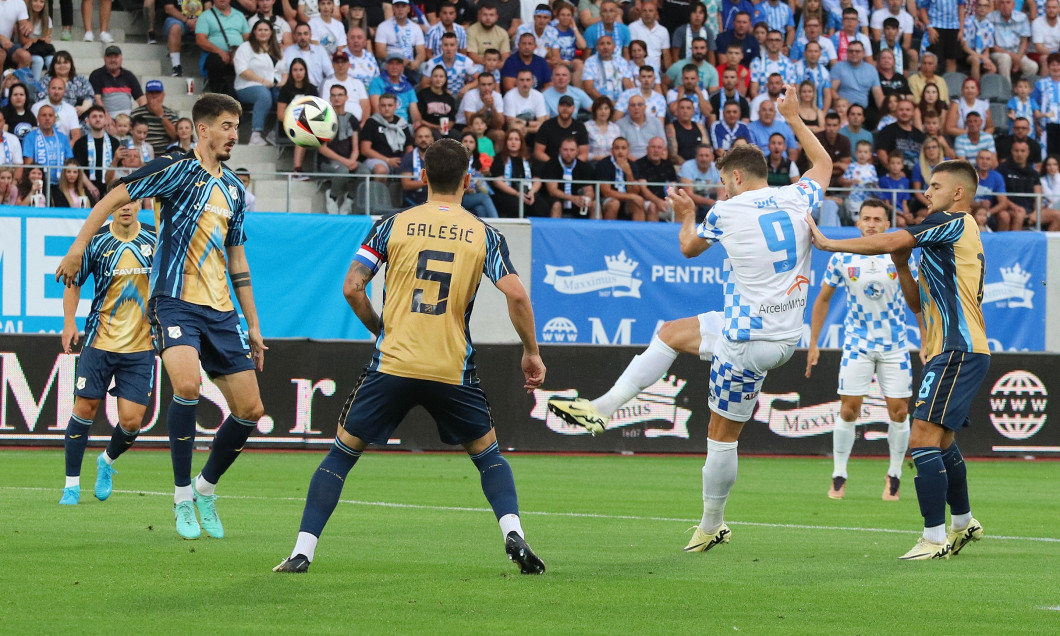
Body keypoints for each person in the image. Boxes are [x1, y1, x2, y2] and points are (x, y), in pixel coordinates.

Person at [550, 84, 833, 556]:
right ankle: (602, 408)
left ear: (738, 179)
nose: (721, 188)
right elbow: (822, 163)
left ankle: (711, 525)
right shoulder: (798, 197)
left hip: (746, 338)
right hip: (784, 334)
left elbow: (688, 247)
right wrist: (793, 117)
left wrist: (686, 214)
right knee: (670, 333)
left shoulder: (724, 211)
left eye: (724, 181)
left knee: (721, 439)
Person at [273, 137, 546, 575]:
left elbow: (352, 287)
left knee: (341, 455)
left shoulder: (392, 224)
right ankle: (513, 531)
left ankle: (302, 551)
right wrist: (531, 352)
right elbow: (516, 294)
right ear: (467, 179)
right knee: (488, 456)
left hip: (393, 363)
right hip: (451, 367)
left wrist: (380, 328)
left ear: (422, 177)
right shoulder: (484, 234)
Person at [55, 93, 267, 542]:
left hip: (222, 311)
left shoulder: (233, 189)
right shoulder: (176, 168)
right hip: (173, 300)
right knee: (186, 387)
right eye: (228, 126)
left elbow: (239, 262)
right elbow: (114, 195)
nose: (235, 134)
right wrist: (77, 249)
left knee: (251, 411)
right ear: (204, 129)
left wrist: (253, 323)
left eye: (237, 126)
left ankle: (206, 487)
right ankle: (181, 497)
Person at [806, 159, 989, 561]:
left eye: (936, 186)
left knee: (921, 437)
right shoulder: (945, 241)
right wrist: (904, 266)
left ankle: (933, 537)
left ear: (957, 194)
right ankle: (962, 523)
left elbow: (890, 241)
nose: (927, 192)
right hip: (956, 348)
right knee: (941, 441)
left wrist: (829, 243)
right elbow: (915, 303)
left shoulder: (953, 222)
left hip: (958, 349)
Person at [806, 198, 922, 500]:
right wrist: (813, 343)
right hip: (857, 343)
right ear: (858, 222)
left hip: (895, 345)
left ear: (887, 224)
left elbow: (917, 302)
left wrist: (926, 340)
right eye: (866, 218)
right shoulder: (843, 256)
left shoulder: (902, 254)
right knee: (849, 409)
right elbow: (822, 299)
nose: (871, 224)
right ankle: (839, 474)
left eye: (877, 219)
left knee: (899, 412)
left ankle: (894, 475)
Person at [58, 200, 155, 506]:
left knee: (131, 422)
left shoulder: (155, 239)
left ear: (140, 204)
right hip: (99, 342)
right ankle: (71, 486)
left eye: (131, 202)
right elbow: (73, 281)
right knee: (84, 409)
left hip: (141, 347)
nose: (125, 208)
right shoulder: (97, 241)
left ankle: (107, 461)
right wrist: (69, 322)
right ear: (110, 207)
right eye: (119, 203)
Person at [318, 84, 369, 214]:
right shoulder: (323, 118)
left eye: (340, 95)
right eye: (333, 95)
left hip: (347, 160)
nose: (337, 98)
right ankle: (333, 196)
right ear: (330, 98)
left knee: (365, 172)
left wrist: (352, 160)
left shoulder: (352, 119)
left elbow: (356, 148)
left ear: (346, 97)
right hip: (329, 162)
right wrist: (345, 162)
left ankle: (350, 198)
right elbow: (322, 149)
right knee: (343, 169)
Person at [234, 19, 285, 145]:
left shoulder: (276, 48)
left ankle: (275, 132)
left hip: (273, 85)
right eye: (260, 30)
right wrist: (262, 81)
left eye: (266, 30)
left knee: (285, 97)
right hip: (247, 86)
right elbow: (242, 70)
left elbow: (285, 69)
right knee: (263, 95)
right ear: (254, 32)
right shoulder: (246, 47)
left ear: (271, 32)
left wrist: (283, 81)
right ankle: (255, 135)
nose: (263, 32)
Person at [195, 0, 251, 96]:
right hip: (215, 54)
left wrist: (239, 53)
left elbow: (248, 39)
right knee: (215, 61)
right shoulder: (205, 16)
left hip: (237, 54)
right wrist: (219, 51)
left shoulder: (239, 15)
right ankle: (218, 94)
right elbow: (200, 40)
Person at [490, 127, 545, 217]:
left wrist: (532, 192)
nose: (513, 142)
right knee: (516, 205)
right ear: (506, 142)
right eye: (510, 139)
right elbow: (498, 182)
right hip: (508, 194)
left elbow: (537, 180)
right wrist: (517, 194)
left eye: (516, 139)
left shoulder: (530, 158)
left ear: (521, 142)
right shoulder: (499, 158)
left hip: (528, 192)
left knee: (540, 205)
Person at [360, 92, 413, 179]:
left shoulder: (402, 123)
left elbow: (409, 147)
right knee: (381, 170)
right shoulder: (371, 122)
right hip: (377, 159)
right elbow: (365, 150)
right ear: (379, 107)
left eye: (390, 105)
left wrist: (406, 161)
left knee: (414, 170)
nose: (386, 108)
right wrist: (387, 160)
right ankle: (378, 192)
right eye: (383, 105)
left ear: (395, 106)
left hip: (399, 160)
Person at [72, 104, 120, 199]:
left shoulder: (114, 142)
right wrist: (90, 186)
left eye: (101, 116)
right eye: (94, 117)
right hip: (86, 188)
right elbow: (78, 168)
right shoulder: (80, 143)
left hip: (110, 187)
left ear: (105, 120)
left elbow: (119, 169)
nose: (98, 119)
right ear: (88, 121)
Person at [373, 0, 426, 81]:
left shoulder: (416, 28)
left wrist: (417, 62)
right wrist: (399, 61)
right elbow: (380, 52)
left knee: (425, 67)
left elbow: (421, 52)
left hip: (410, 63)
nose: (400, 10)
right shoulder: (383, 26)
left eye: (403, 6)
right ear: (393, 8)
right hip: (391, 62)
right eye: (397, 7)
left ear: (408, 9)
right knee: (391, 67)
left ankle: (415, 92)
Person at [543, 136, 595, 217]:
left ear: (577, 151)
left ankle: (595, 229)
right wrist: (572, 198)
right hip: (556, 202)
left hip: (578, 204)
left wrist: (586, 199)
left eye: (572, 150)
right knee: (556, 204)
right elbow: (552, 191)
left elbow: (589, 190)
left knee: (594, 205)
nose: (568, 153)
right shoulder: (551, 165)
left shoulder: (584, 166)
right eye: (565, 150)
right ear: (560, 150)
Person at [89, 46, 147, 118]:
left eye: (116, 57)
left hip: (127, 119)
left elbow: (141, 98)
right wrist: (106, 117)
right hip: (105, 117)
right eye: (110, 57)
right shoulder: (96, 75)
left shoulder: (129, 75)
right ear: (104, 59)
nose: (113, 60)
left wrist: (145, 116)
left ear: (121, 58)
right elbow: (97, 99)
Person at [22, 104, 73, 183]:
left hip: (61, 183)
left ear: (55, 119)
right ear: (38, 119)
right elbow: (28, 166)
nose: (47, 118)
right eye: (44, 115)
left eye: (50, 115)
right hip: (38, 182)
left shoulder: (62, 137)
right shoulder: (30, 137)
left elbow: (69, 162)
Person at [130, 80, 181, 155]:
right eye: (151, 93)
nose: (154, 96)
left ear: (163, 95)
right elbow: (129, 136)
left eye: (157, 93)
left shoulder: (171, 114)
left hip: (164, 157)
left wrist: (161, 115)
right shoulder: (135, 113)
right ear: (146, 95)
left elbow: (177, 137)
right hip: (141, 156)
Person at [990, 0, 1039, 78]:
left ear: (1013, 5)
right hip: (999, 53)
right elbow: (991, 45)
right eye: (1002, 3)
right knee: (1005, 58)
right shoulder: (990, 18)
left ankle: (1021, 87)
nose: (1005, 5)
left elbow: (1024, 42)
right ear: (998, 5)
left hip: (1017, 53)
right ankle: (1006, 88)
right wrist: (1012, 56)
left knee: (1032, 67)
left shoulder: (1022, 17)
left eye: (1008, 2)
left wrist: (1018, 58)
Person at [399, 123, 434, 207]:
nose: (423, 139)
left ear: (432, 139)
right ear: (415, 139)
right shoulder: (408, 158)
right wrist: (429, 182)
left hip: (435, 200)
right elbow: (406, 184)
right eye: (420, 137)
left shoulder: (440, 158)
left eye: (426, 136)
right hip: (413, 200)